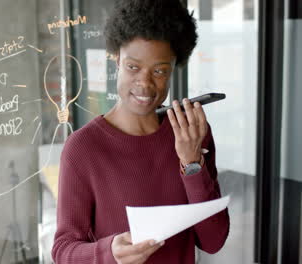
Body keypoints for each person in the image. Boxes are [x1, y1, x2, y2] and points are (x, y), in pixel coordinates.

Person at [51, 0, 230, 263]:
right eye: (133, 67)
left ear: (172, 69)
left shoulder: (192, 134)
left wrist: (192, 163)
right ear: (116, 60)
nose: (145, 83)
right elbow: (63, 250)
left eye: (159, 71)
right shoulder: (83, 148)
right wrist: (109, 252)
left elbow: (213, 241)